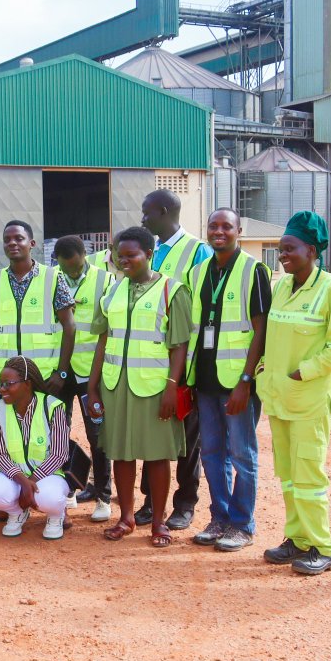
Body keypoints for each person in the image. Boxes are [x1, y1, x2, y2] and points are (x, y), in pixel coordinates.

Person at [255, 212, 331, 575]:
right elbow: (272, 337)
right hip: (279, 398)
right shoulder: (281, 286)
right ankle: (297, 539)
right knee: (288, 474)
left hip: (309, 400)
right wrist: (266, 370)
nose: (282, 255)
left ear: (311, 250)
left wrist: (304, 372)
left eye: (289, 248)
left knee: (309, 474)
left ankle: (323, 547)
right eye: (280, 249)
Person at [87, 227, 191, 547]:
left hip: (154, 387)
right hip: (116, 385)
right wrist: (93, 389)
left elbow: (180, 346)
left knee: (157, 456)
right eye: (120, 256)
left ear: (150, 254)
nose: (124, 260)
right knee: (121, 453)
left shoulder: (173, 291)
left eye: (132, 255)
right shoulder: (112, 291)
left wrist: (172, 388)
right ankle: (127, 517)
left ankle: (159, 522)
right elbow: (102, 342)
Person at [184, 209, 271, 552]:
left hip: (237, 382)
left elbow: (261, 328)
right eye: (213, 226)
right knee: (211, 452)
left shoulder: (254, 271)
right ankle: (219, 517)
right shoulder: (197, 272)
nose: (218, 232)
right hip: (204, 379)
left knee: (242, 454)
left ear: (239, 231)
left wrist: (246, 380)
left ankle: (242, 524)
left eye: (226, 227)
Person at [133, 189, 212, 529]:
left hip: (183, 361)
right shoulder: (147, 252)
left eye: (146, 212)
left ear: (163, 211)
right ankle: (152, 502)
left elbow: (203, 308)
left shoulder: (197, 251)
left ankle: (184, 503)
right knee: (153, 436)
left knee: (185, 438)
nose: (142, 219)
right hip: (150, 362)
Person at [54, 235, 113, 522]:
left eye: (76, 268)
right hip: (60, 371)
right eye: (66, 269)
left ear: (85, 255)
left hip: (93, 372)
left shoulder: (105, 280)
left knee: (97, 434)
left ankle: (103, 495)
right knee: (58, 433)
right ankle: (69, 488)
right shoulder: (52, 279)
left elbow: (109, 328)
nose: (71, 273)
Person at [0, 220, 76, 396]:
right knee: (7, 423)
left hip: (43, 377)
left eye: (19, 238)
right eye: (7, 239)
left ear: (31, 243)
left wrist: (61, 373)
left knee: (45, 423)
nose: (12, 243)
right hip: (4, 377)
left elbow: (70, 327)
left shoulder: (53, 277)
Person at [0, 356, 71, 540]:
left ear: (27, 384)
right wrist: (23, 481)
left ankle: (56, 516)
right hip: (14, 476)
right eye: (1, 383)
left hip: (49, 476)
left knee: (50, 498)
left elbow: (59, 454)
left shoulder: (52, 406)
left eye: (8, 384)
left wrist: (31, 481)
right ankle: (17, 512)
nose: (1, 389)